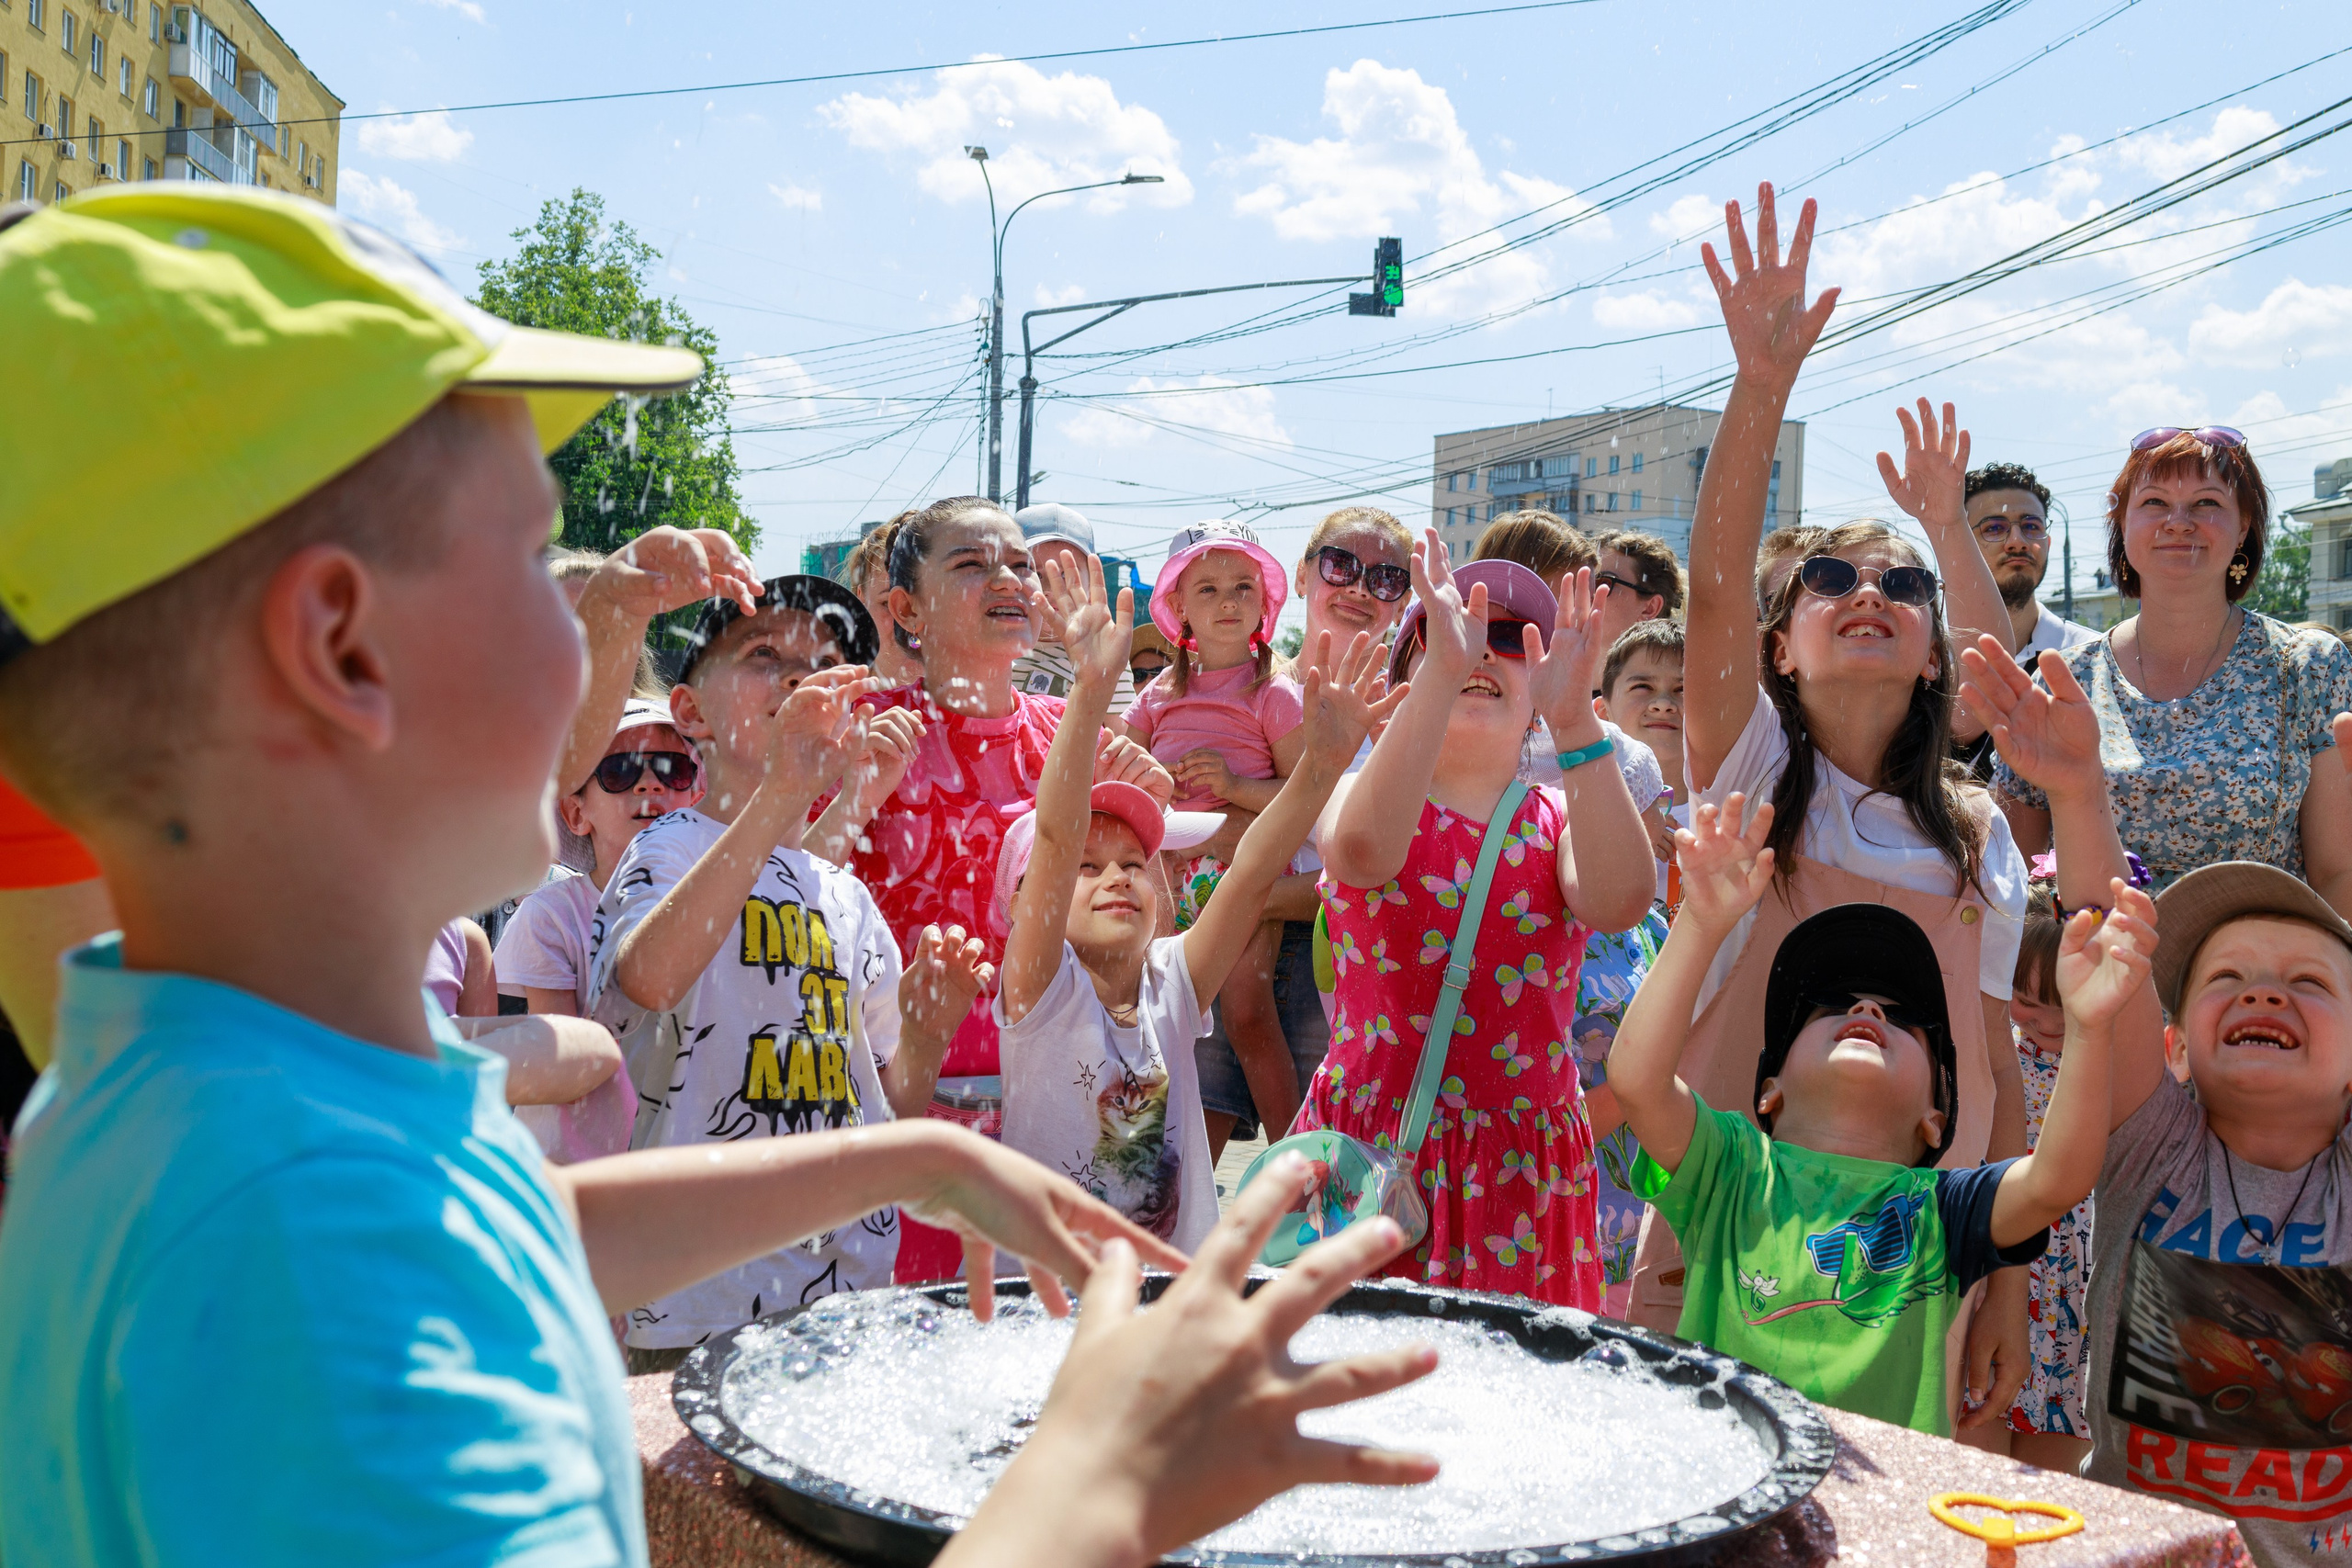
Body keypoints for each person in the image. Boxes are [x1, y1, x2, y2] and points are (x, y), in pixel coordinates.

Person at [0, 186, 1204, 1567]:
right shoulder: (311, 1261)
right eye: (532, 561)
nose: (594, 639)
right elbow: (389, 1263)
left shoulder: (193, 1074)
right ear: (340, 648)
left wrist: (914, 1154)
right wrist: (1105, 1483)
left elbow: (489, 1230)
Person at [1654, 186, 2034, 1440]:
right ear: (1781, 643)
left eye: (1901, 582)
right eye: (1829, 578)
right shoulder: (1751, 766)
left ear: (1937, 652)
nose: (1865, 592)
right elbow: (1711, 586)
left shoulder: (1978, 838)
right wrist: (1760, 381)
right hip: (1727, 1240)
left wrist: (2008, 1276)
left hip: (1917, 1269)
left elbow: (2000, 1071)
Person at [1966, 626, 2352, 1562]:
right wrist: (2077, 791)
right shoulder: (2153, 1144)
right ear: (2173, 1046)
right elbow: (2112, 952)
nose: (2263, 991)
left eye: (2308, 982)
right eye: (2226, 980)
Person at [1610, 795, 2135, 1437]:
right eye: (1830, 1004)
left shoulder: (1941, 1209)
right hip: (1727, 1498)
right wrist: (1700, 922)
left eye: (1909, 1019)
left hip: (1881, 1524)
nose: (1868, 1006)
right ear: (1769, 1091)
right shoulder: (1730, 1164)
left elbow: (2059, 1177)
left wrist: (2090, 1029)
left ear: (1936, 1123)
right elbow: (1637, 1080)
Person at [998, 557, 1396, 1249]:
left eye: (1134, 861)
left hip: (1174, 1304)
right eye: (1083, 869)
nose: (1117, 876)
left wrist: (1320, 768)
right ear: (1030, 901)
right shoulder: (1041, 992)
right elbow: (1056, 831)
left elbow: (1249, 875)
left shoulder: (1173, 984)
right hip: (1049, 1312)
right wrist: (1091, 694)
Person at [1305, 544, 1655, 1307]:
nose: (1482, 650)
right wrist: (1440, 671)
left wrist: (1575, 720)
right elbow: (1362, 853)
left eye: (1511, 640)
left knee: (1511, 1401)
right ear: (1408, 679)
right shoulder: (1359, 790)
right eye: (1454, 631)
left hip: (1522, 1167)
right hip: (1374, 1157)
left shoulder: (1560, 816)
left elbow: (1621, 897)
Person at [844, 494, 1173, 1281]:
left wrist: (1155, 829)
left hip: (1068, 1107)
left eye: (1020, 565)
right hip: (913, 1111)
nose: (1008, 579)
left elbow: (1143, 936)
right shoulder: (867, 730)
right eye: (970, 563)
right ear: (905, 609)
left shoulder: (1074, 729)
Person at [1990, 428, 2352, 909]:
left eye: (2207, 503)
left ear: (2243, 526)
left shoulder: (2308, 667)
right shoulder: (2062, 681)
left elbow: (2338, 874)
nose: (2179, 522)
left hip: (2254, 975)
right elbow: (2016, 876)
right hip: (2097, 970)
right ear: (2122, 525)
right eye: (2155, 502)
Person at [1121, 519, 1306, 1145]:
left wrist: (1232, 788)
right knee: (1154, 1018)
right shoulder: (1154, 697)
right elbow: (1115, 775)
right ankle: (1147, 1167)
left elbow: (1308, 797)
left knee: (1250, 1017)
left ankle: (1307, 1167)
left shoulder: (1275, 693)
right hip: (1164, 878)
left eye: (1242, 586)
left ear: (1264, 600)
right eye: (1208, 589)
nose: (1228, 601)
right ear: (1177, 607)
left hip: (1243, 876)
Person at [1999, 876, 2098, 1473]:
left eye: (2058, 1001)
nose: (2043, 1018)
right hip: (2012, 1263)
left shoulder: (2110, 1064)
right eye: (2025, 999)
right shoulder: (1998, 1051)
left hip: (2079, 1272)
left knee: (2055, 1464)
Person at [1009, 502, 1138, 716]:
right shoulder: (999, 646)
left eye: (1065, 575)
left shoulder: (1104, 656)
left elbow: (1122, 739)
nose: (1051, 589)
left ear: (1091, 583)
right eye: (1036, 574)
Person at [1966, 462, 2096, 661]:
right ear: (1960, 545)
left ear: (2048, 544)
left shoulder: (2095, 658)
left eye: (2031, 526)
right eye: (1994, 528)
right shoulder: (1933, 664)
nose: (2017, 542)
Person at [841, 513, 925, 690]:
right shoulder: (829, 705)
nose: (910, 623)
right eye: (887, 603)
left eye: (929, 602)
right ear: (861, 603)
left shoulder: (987, 705)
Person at [1589, 526, 1685, 652]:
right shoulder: (1557, 667)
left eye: (1602, 582)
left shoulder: (1681, 671)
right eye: (1581, 580)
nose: (1585, 592)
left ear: (1650, 608)